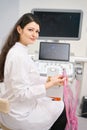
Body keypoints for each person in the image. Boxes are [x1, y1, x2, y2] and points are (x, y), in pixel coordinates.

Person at [0, 13, 67, 130]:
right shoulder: (18, 56)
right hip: (19, 115)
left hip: (17, 107)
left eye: (37, 31)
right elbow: (22, 94)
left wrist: (49, 79)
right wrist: (49, 84)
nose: (34, 35)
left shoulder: (20, 51)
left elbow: (29, 77)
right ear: (19, 29)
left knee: (56, 102)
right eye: (30, 30)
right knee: (61, 108)